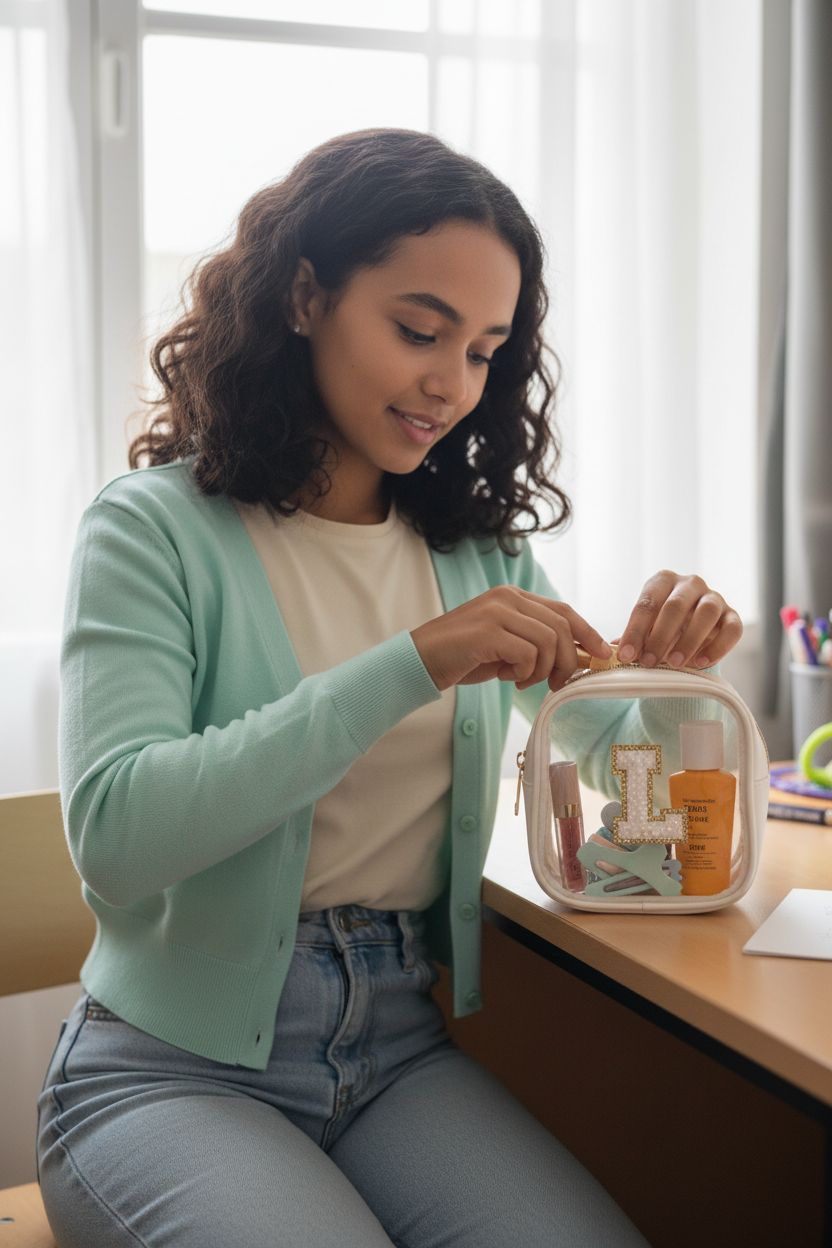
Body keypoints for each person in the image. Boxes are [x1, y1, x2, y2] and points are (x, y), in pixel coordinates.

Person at [36, 128, 741, 1247]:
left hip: (399, 1051)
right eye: (419, 331)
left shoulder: (475, 549)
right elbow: (117, 835)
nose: (449, 384)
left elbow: (626, 784)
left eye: (484, 351)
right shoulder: (152, 529)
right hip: (168, 1072)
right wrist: (411, 664)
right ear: (304, 296)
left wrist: (671, 687)